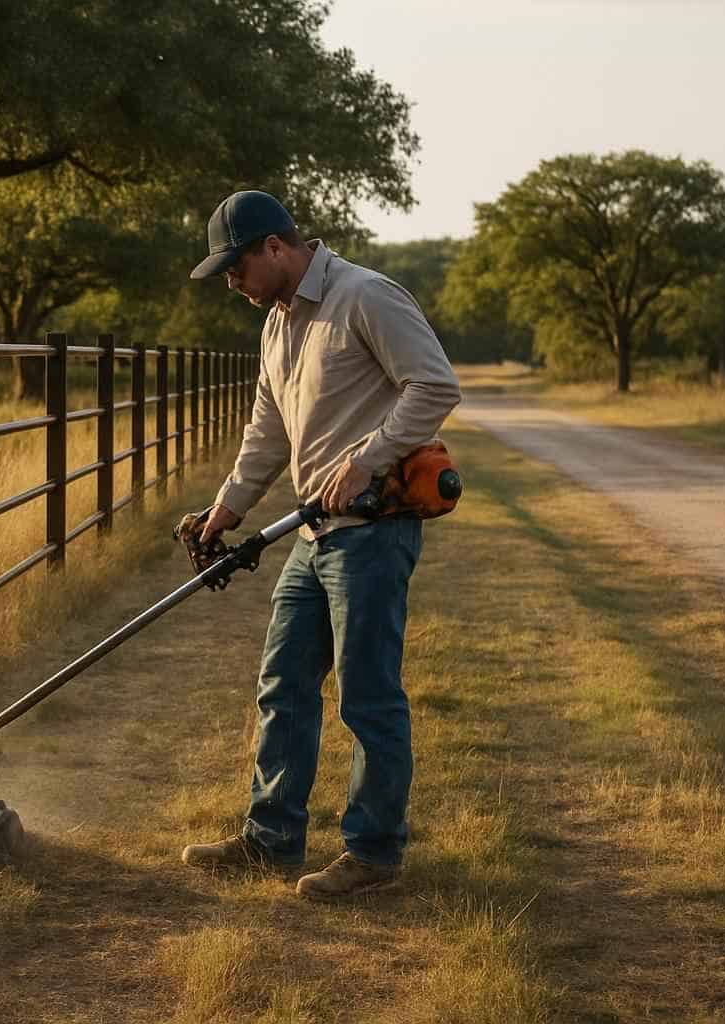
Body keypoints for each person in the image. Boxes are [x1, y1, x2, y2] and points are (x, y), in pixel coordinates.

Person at [179, 190, 461, 900]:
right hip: (312, 535)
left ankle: (373, 853)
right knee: (284, 684)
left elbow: (434, 385)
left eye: (235, 268)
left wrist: (368, 457)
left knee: (367, 697)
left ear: (275, 248)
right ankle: (270, 838)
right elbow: (267, 430)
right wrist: (227, 508)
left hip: (373, 533)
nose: (232, 285)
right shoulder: (276, 325)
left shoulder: (366, 296)